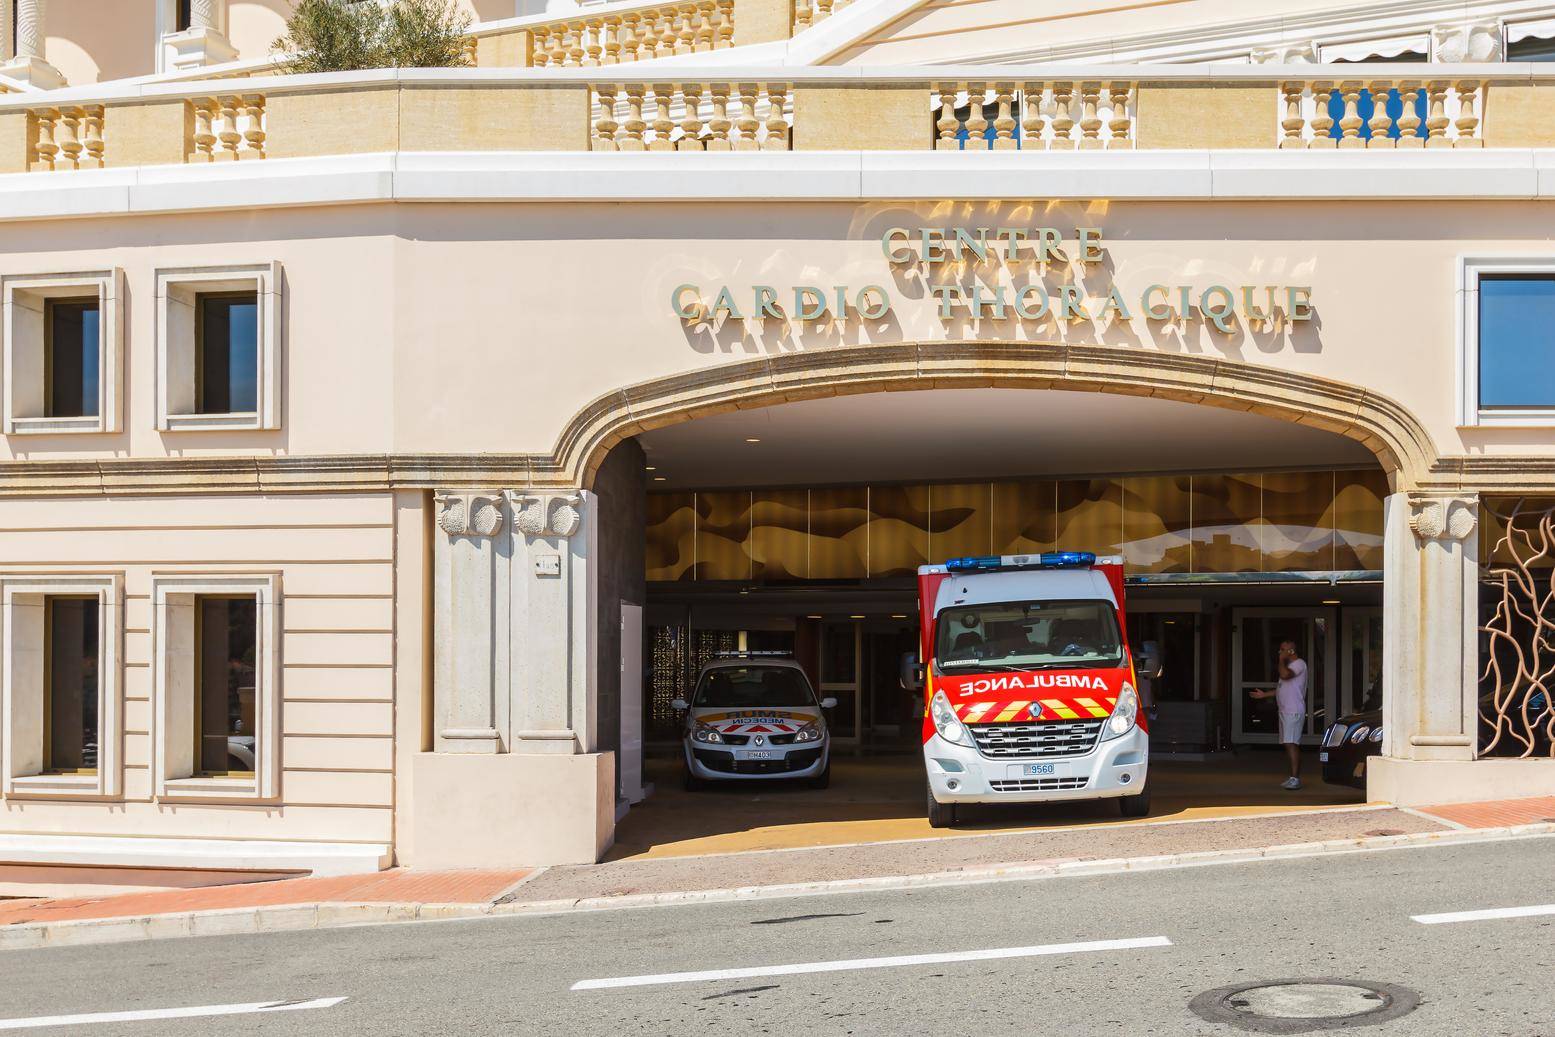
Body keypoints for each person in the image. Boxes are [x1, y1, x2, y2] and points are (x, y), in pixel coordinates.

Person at [1249, 639, 1308, 790]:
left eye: (1282, 649)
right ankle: (1293, 777)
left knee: (1291, 743)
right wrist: (1264, 695)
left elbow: (1285, 675)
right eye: (1280, 649)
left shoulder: (1299, 664)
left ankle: (1295, 778)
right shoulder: (1289, 666)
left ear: (1291, 651)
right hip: (1285, 711)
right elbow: (1281, 688)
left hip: (1293, 711)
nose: (1279, 652)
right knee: (1288, 743)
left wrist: (1281, 660)